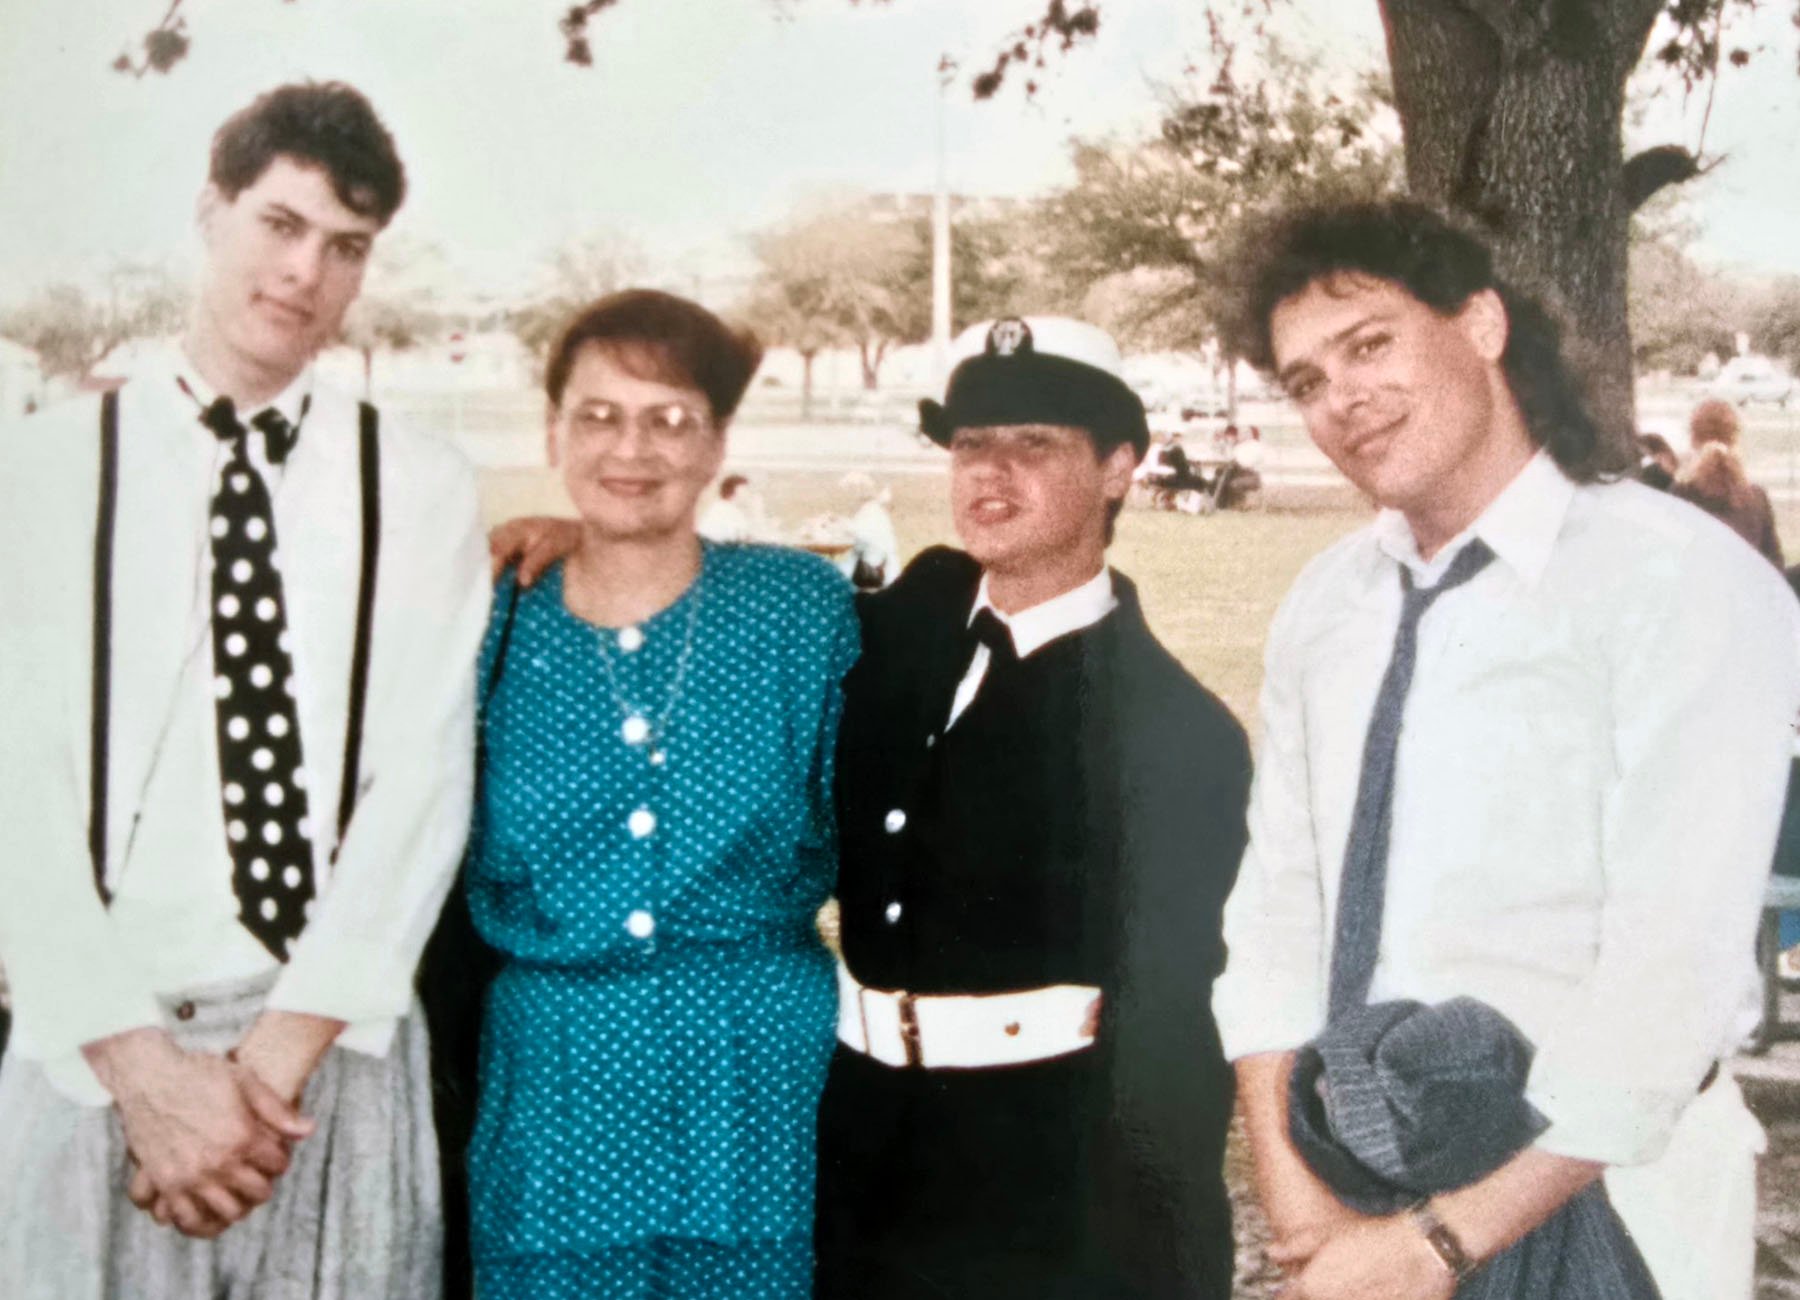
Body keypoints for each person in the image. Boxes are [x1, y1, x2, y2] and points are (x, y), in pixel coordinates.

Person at [1212, 199, 1800, 1300]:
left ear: (1481, 322)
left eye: (1370, 342)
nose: (1343, 397)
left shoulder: (1680, 582)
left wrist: (1439, 1245)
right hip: (1358, 1195)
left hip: (1603, 1194)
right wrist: (1298, 1197)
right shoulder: (1328, 602)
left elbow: (1670, 976)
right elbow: (1277, 908)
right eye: (1304, 381)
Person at [0, 81, 487, 1298]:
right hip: (95, 1056)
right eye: (280, 224)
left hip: (328, 1054)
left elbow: (419, 787)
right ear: (211, 214)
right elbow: (15, 785)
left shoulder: (415, 483)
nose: (304, 272)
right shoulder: (46, 468)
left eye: (346, 247)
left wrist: (267, 1072)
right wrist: (142, 1069)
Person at [815, 316, 1252, 1298]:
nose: (989, 474)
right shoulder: (916, 619)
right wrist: (578, 535)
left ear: (1118, 468)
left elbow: (1173, 1049)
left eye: (1035, 445)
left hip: (1045, 1182)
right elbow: (737, 604)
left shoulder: (1175, 734)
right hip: (861, 1145)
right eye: (971, 444)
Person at [465, 290, 858, 1299]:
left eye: (669, 418)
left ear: (719, 440)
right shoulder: (484, 618)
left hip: (760, 1087)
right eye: (598, 416)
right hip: (555, 1099)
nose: (630, 448)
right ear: (553, 432)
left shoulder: (800, 609)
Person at [1673, 398, 1783, 566]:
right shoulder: (1757, 497)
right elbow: (1775, 567)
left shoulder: (1679, 495)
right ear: (1735, 438)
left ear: (1693, 439)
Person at [836, 471, 900, 589]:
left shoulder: (872, 511)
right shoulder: (871, 510)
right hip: (870, 564)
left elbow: (861, 537)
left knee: (836, 578)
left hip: (873, 569)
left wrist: (841, 527)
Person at [697, 471, 755, 541]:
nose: (749, 495)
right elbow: (744, 538)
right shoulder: (727, 511)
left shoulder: (718, 508)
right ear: (735, 492)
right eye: (746, 491)